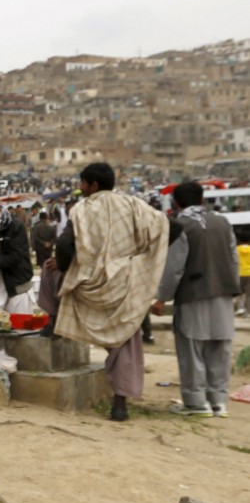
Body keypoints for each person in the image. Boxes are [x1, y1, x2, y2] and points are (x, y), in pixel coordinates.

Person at [53, 163, 168, 421]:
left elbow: (63, 244)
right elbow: (168, 227)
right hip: (124, 285)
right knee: (124, 340)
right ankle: (120, 404)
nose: (80, 188)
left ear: (93, 185)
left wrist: (65, 268)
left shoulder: (81, 210)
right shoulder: (134, 205)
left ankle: (52, 325)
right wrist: (139, 263)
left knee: (53, 285)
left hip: (89, 284)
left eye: (83, 183)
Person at [151, 180, 240, 418]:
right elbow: (233, 260)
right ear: (202, 199)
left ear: (176, 202)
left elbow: (174, 268)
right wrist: (231, 288)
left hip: (193, 295)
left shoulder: (181, 226)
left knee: (192, 350)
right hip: (222, 294)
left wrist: (162, 297)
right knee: (220, 348)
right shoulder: (222, 222)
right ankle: (219, 401)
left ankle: (196, 402)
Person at [236, 229, 250, 316]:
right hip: (249, 274)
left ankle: (241, 307)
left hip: (239, 273)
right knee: (249, 294)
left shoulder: (236, 249)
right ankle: (249, 310)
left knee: (238, 292)